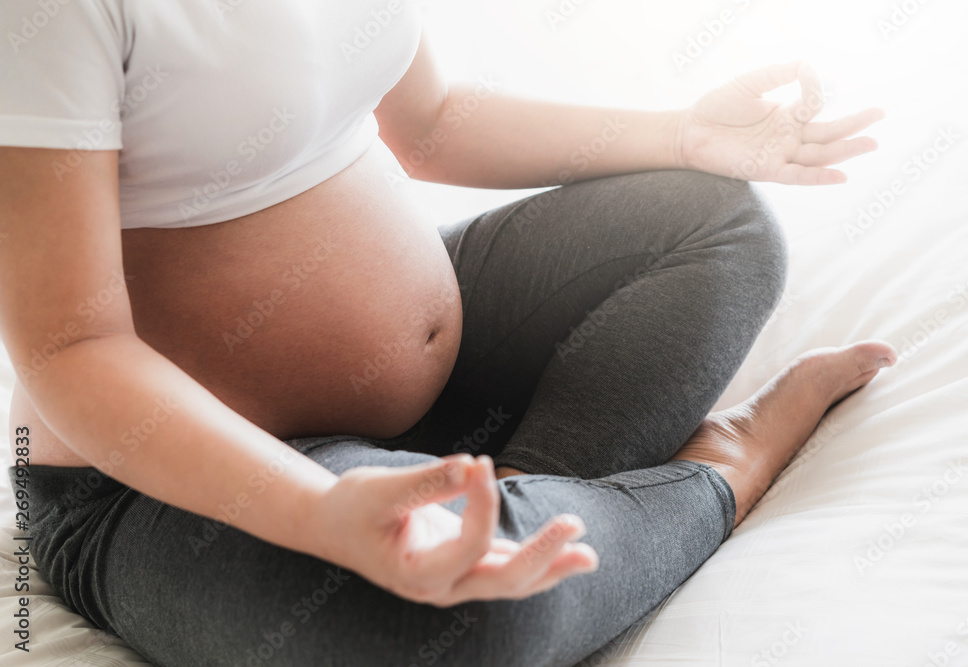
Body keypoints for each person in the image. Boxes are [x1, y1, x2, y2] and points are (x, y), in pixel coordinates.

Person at [0, 2, 895, 665]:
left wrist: (684, 134)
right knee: (456, 630)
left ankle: (514, 512)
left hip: (443, 378)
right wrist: (317, 513)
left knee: (716, 222)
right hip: (175, 487)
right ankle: (715, 477)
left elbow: (428, 126)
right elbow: (69, 349)